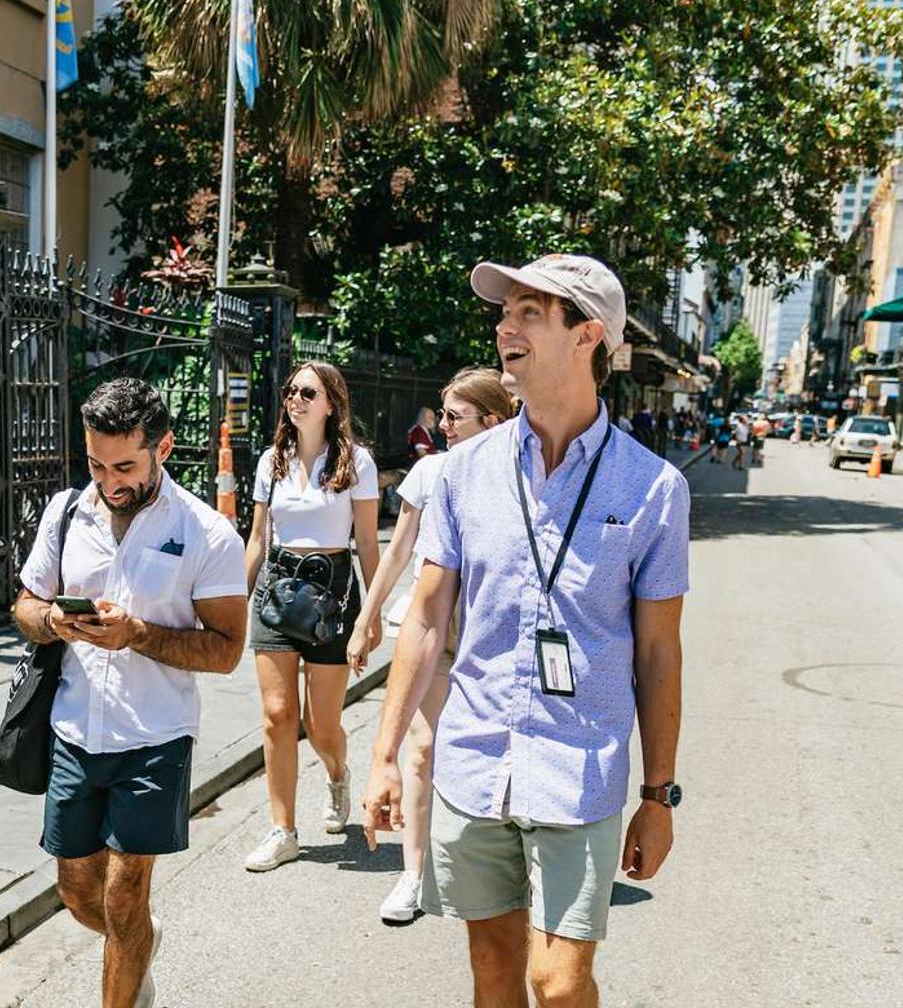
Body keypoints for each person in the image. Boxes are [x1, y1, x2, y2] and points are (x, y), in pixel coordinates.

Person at [363, 253, 688, 1007]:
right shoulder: (462, 471)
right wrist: (383, 754)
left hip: (580, 767)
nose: (505, 327)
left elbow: (659, 652)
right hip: (475, 760)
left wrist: (659, 795)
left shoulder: (652, 489)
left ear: (588, 335)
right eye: (504, 312)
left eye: (530, 313)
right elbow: (425, 617)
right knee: (493, 964)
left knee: (560, 981)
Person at [12, 378, 250, 1008]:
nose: (109, 481)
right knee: (80, 893)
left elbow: (226, 649)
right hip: (73, 731)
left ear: (163, 447)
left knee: (123, 897)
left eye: (124, 465)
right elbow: (26, 605)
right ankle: (141, 941)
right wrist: (52, 623)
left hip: (155, 737)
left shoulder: (205, 533)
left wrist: (137, 633)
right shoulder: (68, 511)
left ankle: (126, 976)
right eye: (96, 463)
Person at [346, 367, 516, 926]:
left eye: (452, 417)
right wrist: (366, 617)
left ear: (490, 421)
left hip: (492, 634)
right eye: (442, 415)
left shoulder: (521, 473)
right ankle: (413, 874)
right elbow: (398, 552)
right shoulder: (432, 470)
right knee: (422, 749)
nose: (441, 426)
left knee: (494, 749)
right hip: (433, 629)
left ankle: (494, 868)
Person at [242, 362, 383, 871]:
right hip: (277, 592)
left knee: (321, 724)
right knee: (278, 716)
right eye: (291, 390)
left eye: (307, 392)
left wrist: (372, 612)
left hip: (333, 594)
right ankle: (283, 830)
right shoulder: (270, 461)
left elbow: (367, 541)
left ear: (330, 403)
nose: (295, 399)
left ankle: (338, 774)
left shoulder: (356, 463)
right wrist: (234, 601)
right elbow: (258, 539)